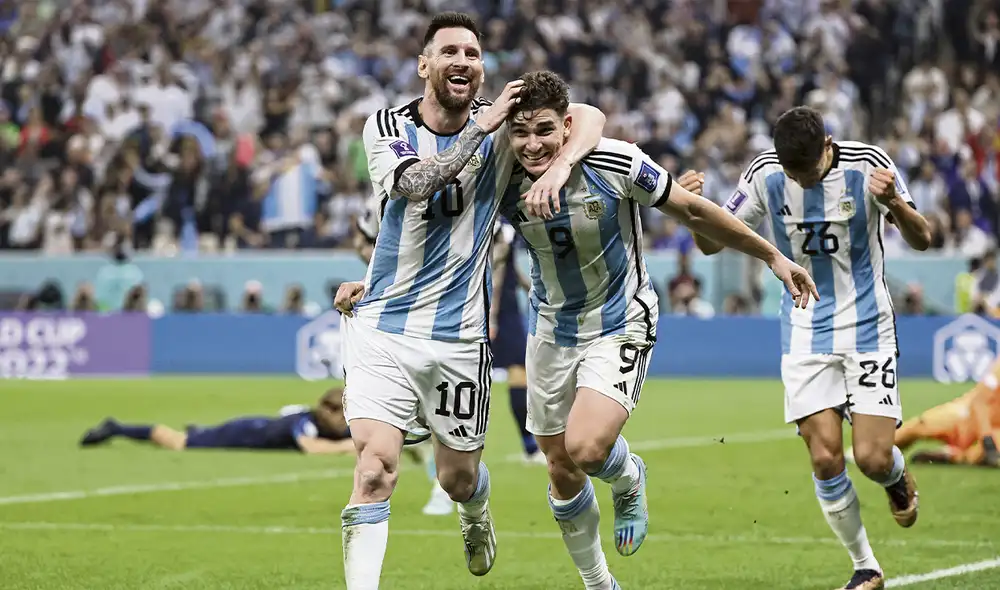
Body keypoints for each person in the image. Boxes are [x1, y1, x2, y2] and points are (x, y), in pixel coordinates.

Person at [483, 71, 817, 590]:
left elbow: (692, 209)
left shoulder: (614, 161)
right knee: (559, 467)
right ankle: (600, 584)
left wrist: (773, 255)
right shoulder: (500, 176)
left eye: (545, 130)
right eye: (521, 133)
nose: (532, 144)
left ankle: (628, 475)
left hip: (620, 318)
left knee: (588, 449)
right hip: (550, 328)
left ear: (566, 126)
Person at [337, 12, 607, 588]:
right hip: (382, 327)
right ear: (424, 65)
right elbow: (414, 184)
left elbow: (585, 117)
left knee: (457, 478)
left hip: (459, 338)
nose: (463, 61)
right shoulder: (387, 124)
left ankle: (475, 510)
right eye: (450, 51)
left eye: (473, 54)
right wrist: (479, 131)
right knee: (374, 469)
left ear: (482, 70)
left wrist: (557, 166)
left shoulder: (505, 132)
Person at [693, 106, 932, 590]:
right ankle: (866, 566)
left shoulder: (869, 165)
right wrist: (697, 214)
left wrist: (899, 206)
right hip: (804, 329)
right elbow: (710, 246)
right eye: (791, 173)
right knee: (824, 457)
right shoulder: (764, 174)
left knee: (871, 459)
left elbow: (924, 238)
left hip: (867, 326)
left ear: (828, 146)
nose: (799, 182)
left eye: (807, 171)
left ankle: (895, 477)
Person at [353, 192, 456, 516]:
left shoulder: (462, 190)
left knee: (440, 408)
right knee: (397, 413)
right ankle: (431, 477)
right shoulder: (381, 199)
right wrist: (385, 268)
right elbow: (363, 242)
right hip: (391, 316)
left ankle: (446, 487)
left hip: (444, 315)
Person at [79, 388, 354, 454]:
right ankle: (118, 428)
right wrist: (350, 447)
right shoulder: (304, 423)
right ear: (326, 411)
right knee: (178, 442)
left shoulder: (321, 422)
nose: (345, 421)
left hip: (252, 426)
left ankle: (201, 431)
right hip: (243, 433)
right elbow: (311, 448)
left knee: (197, 435)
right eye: (341, 414)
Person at [850, 358, 1000, 468]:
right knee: (919, 426)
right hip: (966, 416)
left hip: (995, 429)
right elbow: (980, 402)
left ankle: (951, 456)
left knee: (981, 455)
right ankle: (867, 452)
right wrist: (987, 438)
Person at [490, 219, 544, 464]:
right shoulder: (499, 228)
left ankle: (531, 446)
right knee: (519, 374)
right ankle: (530, 448)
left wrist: (531, 289)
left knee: (520, 375)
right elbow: (498, 271)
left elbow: (509, 267)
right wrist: (492, 317)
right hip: (502, 313)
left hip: (503, 310)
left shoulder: (498, 225)